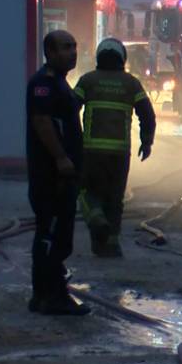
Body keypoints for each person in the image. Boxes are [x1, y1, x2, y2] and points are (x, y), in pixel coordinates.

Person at [26, 30, 89, 315]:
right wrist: (62, 158)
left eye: (74, 46)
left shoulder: (61, 84)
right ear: (50, 53)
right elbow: (42, 122)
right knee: (51, 236)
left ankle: (49, 295)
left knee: (60, 236)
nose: (72, 52)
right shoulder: (44, 84)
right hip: (51, 175)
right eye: (65, 47)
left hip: (63, 175)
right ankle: (49, 297)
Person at [74, 38, 156, 257]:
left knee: (86, 192)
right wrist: (146, 142)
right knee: (115, 198)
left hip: (91, 152)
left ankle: (97, 219)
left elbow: (69, 109)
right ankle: (111, 245)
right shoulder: (131, 84)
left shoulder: (87, 81)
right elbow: (147, 114)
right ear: (122, 58)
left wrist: (73, 140)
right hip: (120, 154)